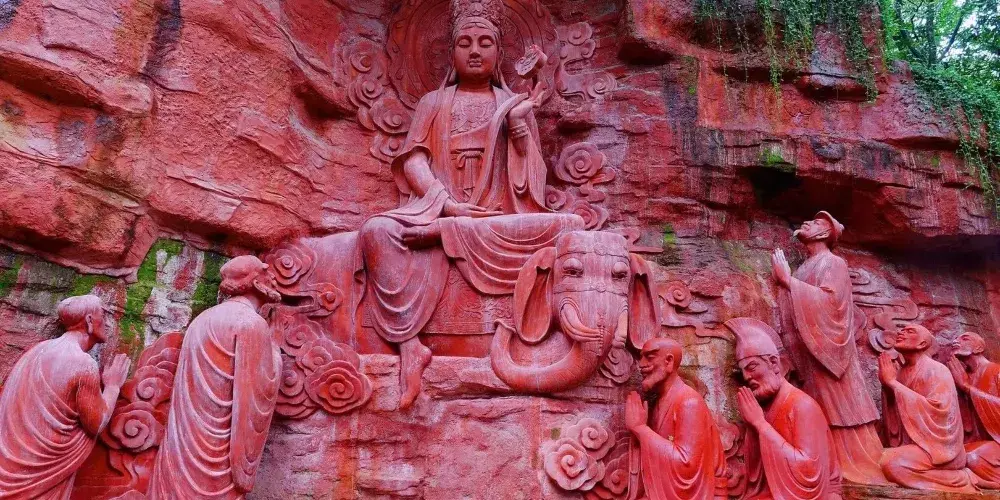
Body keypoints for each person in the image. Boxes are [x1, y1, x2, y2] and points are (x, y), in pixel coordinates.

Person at [357, 0, 582, 408]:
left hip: (496, 218)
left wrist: (519, 130)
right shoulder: (433, 103)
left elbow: (530, 183)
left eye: (484, 43)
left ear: (499, 52)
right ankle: (410, 346)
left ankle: (447, 236)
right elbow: (414, 161)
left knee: (570, 228)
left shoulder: (512, 104)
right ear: (451, 52)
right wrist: (446, 206)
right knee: (377, 230)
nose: (475, 51)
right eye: (465, 43)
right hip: (440, 210)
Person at [148, 256, 282, 499]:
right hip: (220, 447)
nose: (272, 276)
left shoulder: (201, 320)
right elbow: (257, 394)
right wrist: (274, 350)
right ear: (254, 281)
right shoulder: (251, 323)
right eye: (265, 271)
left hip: (182, 443)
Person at [771, 211, 886, 484]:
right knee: (817, 406)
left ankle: (857, 463)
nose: (807, 222)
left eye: (815, 223)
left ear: (824, 234)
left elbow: (832, 304)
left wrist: (788, 281)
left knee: (840, 405)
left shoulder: (834, 263)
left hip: (829, 351)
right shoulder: (804, 268)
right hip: (809, 353)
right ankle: (825, 461)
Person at [0, 294, 130, 499]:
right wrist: (113, 386)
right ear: (89, 321)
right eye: (103, 315)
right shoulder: (83, 364)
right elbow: (96, 424)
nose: (106, 323)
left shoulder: (35, 352)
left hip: (10, 466)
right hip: (40, 474)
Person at [728, 317, 842, 500]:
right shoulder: (766, 407)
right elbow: (757, 478)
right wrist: (753, 427)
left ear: (774, 363)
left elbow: (809, 473)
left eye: (752, 367)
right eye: (743, 372)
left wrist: (760, 425)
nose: (747, 377)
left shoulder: (802, 406)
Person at [878, 323, 977, 493]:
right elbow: (896, 417)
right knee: (877, 459)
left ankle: (961, 478)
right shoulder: (901, 372)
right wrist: (888, 387)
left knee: (890, 464)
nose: (901, 333)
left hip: (941, 450)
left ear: (922, 344)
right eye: (901, 330)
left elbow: (940, 412)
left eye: (909, 331)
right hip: (916, 447)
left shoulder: (937, 369)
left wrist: (893, 384)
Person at [624, 338, 725, 499]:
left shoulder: (689, 402)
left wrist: (640, 429)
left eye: (649, 357)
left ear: (669, 361)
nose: (641, 364)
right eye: (641, 358)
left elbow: (686, 465)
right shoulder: (658, 403)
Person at [947, 331, 1000, 488]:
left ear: (978, 348)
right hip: (976, 441)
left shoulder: (996, 371)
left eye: (965, 338)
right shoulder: (963, 375)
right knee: (951, 457)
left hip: (996, 441)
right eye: (956, 337)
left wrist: (967, 388)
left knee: (972, 457)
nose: (956, 341)